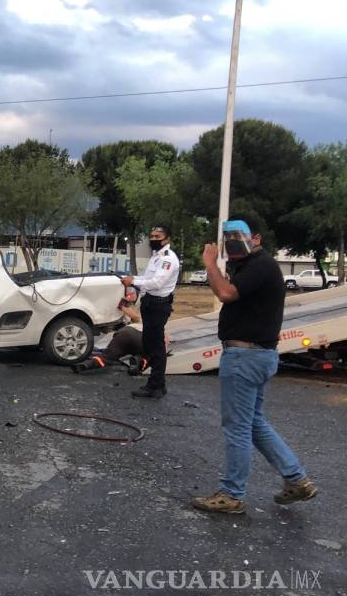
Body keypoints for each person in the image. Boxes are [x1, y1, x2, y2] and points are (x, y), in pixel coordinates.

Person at [190, 218, 317, 514]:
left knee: (237, 427)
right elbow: (227, 289)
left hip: (245, 358)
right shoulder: (252, 266)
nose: (231, 243)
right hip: (258, 355)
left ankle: (232, 494)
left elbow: (225, 293)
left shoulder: (260, 265)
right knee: (254, 423)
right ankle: (296, 478)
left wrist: (209, 263)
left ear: (256, 238)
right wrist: (219, 268)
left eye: (236, 237)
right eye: (226, 239)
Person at [120, 225, 180, 399]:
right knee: (150, 343)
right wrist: (131, 280)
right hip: (150, 304)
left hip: (158, 305)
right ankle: (158, 384)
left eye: (158, 236)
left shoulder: (168, 259)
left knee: (156, 347)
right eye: (151, 235)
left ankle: (155, 386)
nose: (153, 239)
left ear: (167, 239)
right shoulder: (156, 257)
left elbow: (157, 283)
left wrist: (133, 282)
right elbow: (147, 279)